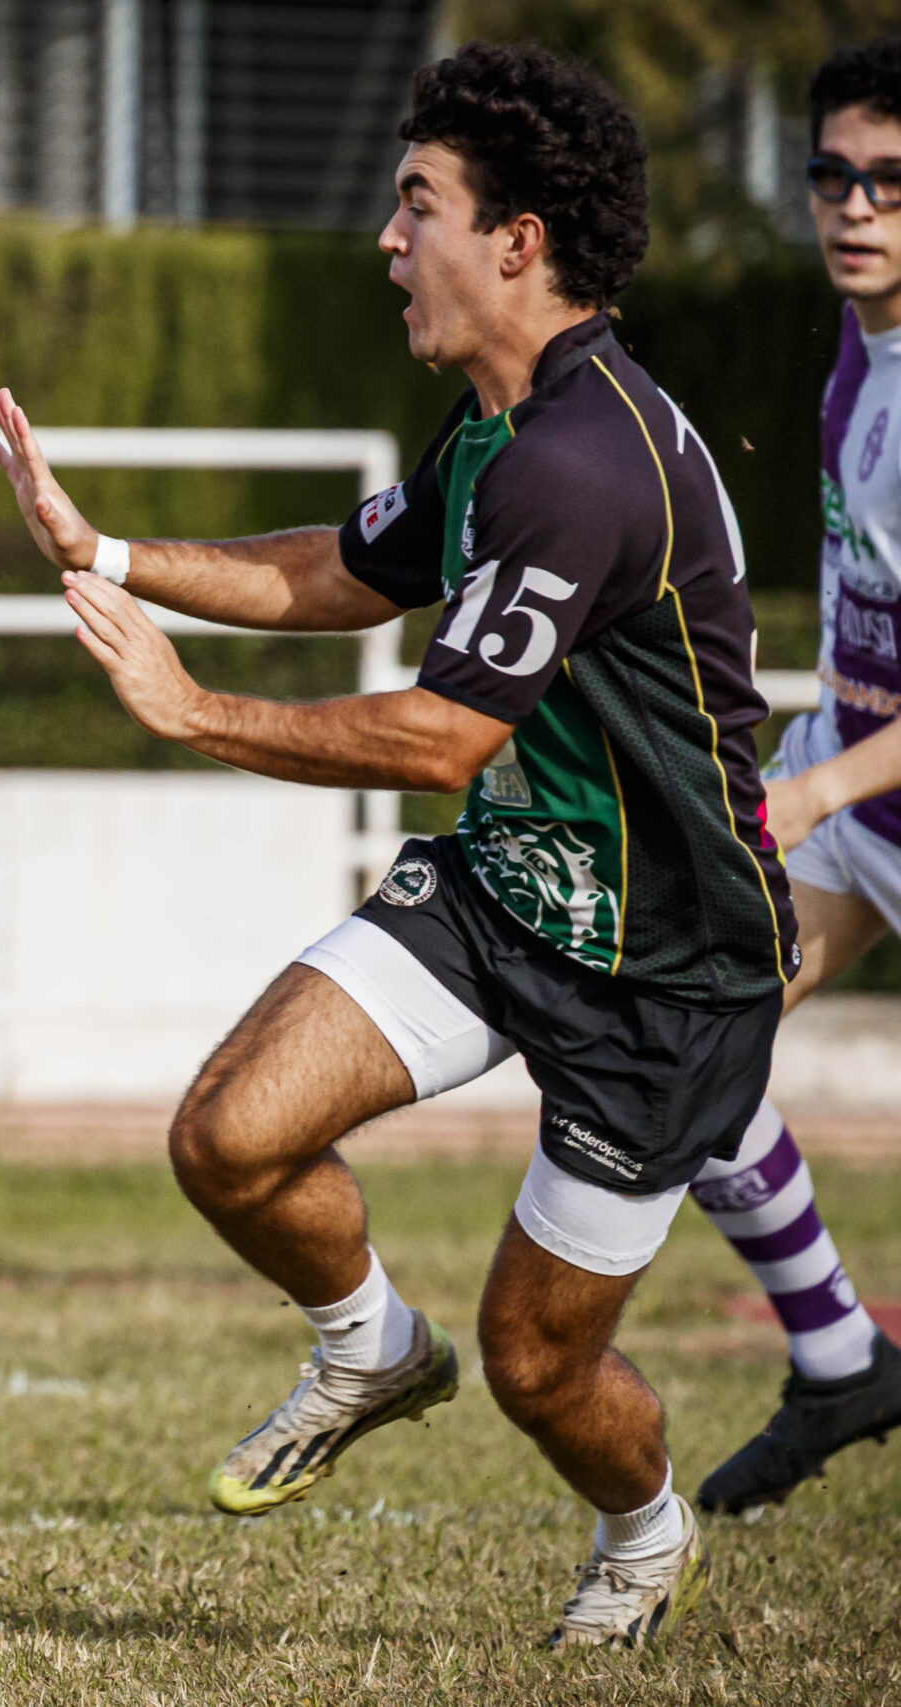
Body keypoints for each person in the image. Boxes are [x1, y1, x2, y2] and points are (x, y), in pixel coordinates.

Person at [0, 44, 778, 1649]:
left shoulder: (582, 463)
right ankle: (363, 1343)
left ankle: (643, 1531)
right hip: (507, 893)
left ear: (520, 241)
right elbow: (352, 574)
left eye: (415, 205)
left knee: (539, 1365)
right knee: (228, 1137)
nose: (386, 239)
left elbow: (437, 736)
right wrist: (111, 551)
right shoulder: (499, 428)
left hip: (668, 970)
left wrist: (192, 711)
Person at [687, 36, 901, 1517]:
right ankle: (840, 1362)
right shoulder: (858, 337)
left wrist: (813, 792)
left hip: (854, 789)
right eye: (833, 175)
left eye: (892, 183)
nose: (855, 207)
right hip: (857, 772)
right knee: (677, 1044)